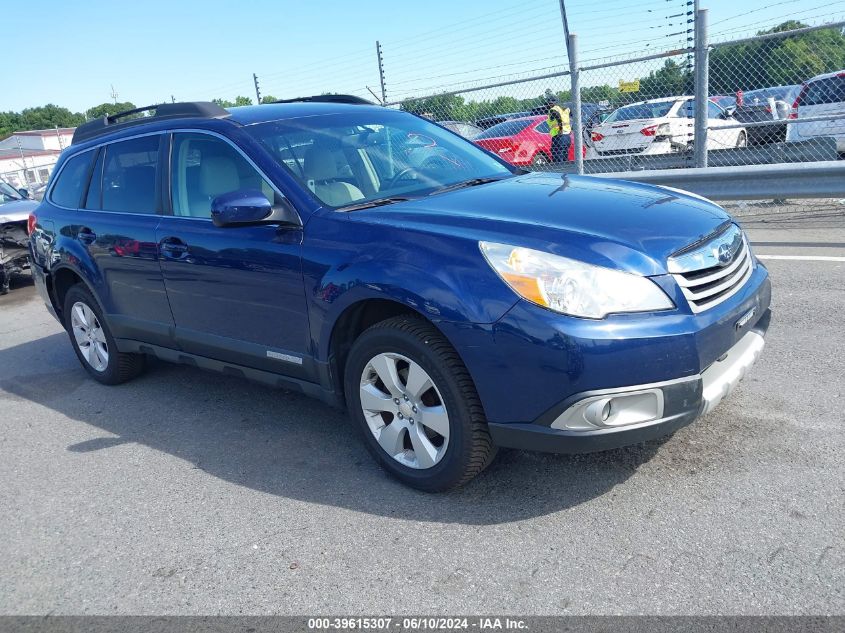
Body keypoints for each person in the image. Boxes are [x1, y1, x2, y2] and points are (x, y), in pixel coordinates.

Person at [547, 97, 572, 163]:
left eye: (551, 103)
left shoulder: (553, 110)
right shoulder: (566, 109)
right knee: (564, 155)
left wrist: (560, 129)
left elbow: (558, 118)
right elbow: (571, 117)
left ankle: (560, 172)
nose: (550, 105)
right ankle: (565, 171)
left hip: (558, 136)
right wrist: (571, 128)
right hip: (567, 135)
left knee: (557, 157)